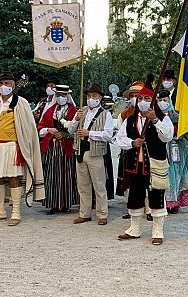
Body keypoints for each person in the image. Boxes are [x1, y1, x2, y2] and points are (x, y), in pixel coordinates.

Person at [0, 71, 45, 226]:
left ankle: (16, 212)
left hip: (12, 146)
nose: (3, 86)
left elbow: (28, 128)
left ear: (13, 85)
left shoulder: (21, 103)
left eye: (7, 83)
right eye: (1, 83)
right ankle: (0, 210)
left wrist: (24, 146)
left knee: (13, 178)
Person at [116, 80, 174, 244]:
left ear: (153, 100)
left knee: (157, 196)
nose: (142, 102)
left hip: (155, 165)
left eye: (147, 99)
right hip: (136, 166)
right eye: (140, 99)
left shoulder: (163, 118)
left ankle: (157, 231)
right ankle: (134, 229)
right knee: (135, 196)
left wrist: (155, 120)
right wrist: (132, 143)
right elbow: (120, 139)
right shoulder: (129, 120)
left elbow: (167, 137)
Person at [69, 83, 114, 225]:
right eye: (89, 96)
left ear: (100, 97)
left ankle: (102, 214)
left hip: (95, 153)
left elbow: (108, 135)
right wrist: (76, 119)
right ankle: (84, 213)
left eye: (94, 96)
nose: (91, 99)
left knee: (99, 185)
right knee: (83, 186)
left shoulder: (106, 114)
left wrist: (90, 133)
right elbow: (70, 130)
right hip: (80, 152)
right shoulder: (81, 111)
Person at [37, 84, 79, 214]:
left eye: (64, 95)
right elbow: (39, 129)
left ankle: (66, 204)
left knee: (66, 175)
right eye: (59, 95)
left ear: (68, 96)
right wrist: (49, 130)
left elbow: (78, 130)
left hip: (66, 148)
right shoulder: (49, 111)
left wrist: (65, 134)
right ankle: (53, 203)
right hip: (52, 148)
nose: (61, 97)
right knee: (51, 174)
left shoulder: (74, 111)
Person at [157, 89, 188, 214]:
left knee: (177, 174)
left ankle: (175, 202)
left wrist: (180, 135)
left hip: (177, 149)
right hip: (161, 150)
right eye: (160, 100)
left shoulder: (177, 116)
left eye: (165, 100)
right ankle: (164, 202)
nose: (162, 103)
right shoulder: (155, 115)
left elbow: (186, 131)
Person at [115, 80, 144, 208]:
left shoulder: (151, 113)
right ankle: (131, 206)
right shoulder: (124, 115)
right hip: (129, 151)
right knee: (129, 180)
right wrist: (130, 143)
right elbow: (120, 135)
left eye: (137, 96)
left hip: (147, 153)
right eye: (131, 96)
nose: (134, 99)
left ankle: (148, 208)